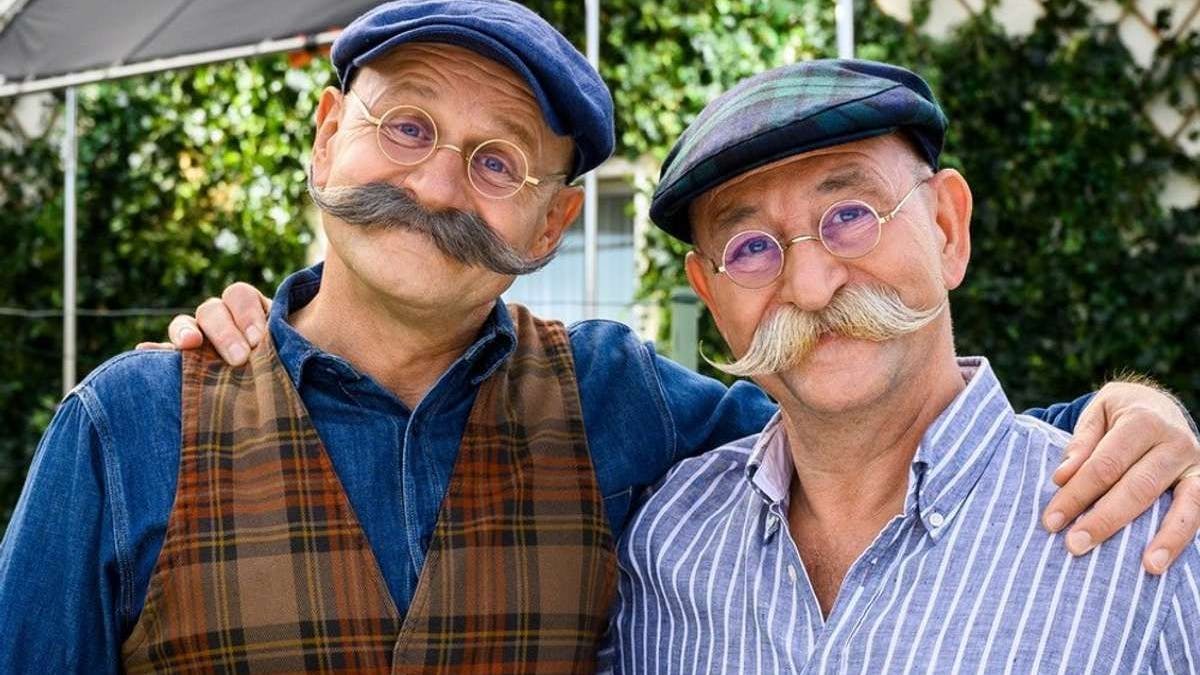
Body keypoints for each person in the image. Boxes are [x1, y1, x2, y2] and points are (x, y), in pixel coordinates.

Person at [2, 0, 1195, 671]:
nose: (436, 185)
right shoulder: (129, 425)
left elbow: (861, 416)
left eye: (499, 162)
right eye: (406, 126)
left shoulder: (617, 404)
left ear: (551, 222)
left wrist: (1133, 422)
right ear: (326, 139)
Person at [601, 59, 1200, 672]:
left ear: (947, 228)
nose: (811, 288)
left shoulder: (1155, 542)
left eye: (850, 215)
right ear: (710, 295)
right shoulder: (663, 547)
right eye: (751, 248)